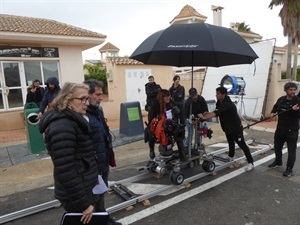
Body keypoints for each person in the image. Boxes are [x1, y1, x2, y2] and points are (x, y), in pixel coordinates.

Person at [39, 82, 98, 224]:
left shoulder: (72, 119)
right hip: (76, 193)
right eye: (82, 99)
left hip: (81, 185)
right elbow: (65, 169)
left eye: (88, 98)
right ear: (67, 100)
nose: (87, 103)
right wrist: (83, 204)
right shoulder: (62, 126)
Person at [84, 79, 121, 225]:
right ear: (88, 94)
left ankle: (103, 218)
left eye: (101, 94)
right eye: (98, 94)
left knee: (100, 195)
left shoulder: (97, 111)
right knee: (91, 198)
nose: (101, 98)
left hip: (103, 161)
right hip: (92, 166)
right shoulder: (83, 114)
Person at [198, 86, 254, 172]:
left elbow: (216, 113)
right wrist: (205, 114)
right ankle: (230, 156)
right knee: (230, 142)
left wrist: (204, 117)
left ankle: (251, 163)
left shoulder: (227, 104)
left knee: (242, 144)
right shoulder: (219, 102)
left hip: (236, 128)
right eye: (216, 93)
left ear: (223, 95)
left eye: (218, 94)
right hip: (228, 127)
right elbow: (214, 112)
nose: (216, 95)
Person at [268, 82, 300, 176]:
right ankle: (278, 161)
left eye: (294, 90)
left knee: (291, 150)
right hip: (280, 128)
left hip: (292, 130)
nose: (293, 91)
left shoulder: (298, 101)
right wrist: (272, 113)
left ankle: (289, 169)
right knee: (277, 147)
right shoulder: (281, 99)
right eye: (291, 90)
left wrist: (295, 111)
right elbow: (275, 108)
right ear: (285, 90)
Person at [148, 89, 186, 161]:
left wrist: (181, 123)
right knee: (149, 133)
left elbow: (180, 113)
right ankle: (152, 151)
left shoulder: (172, 103)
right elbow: (151, 119)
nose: (168, 98)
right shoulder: (155, 104)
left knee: (179, 132)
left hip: (170, 124)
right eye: (165, 96)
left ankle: (182, 152)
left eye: (168, 96)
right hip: (159, 126)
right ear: (161, 97)